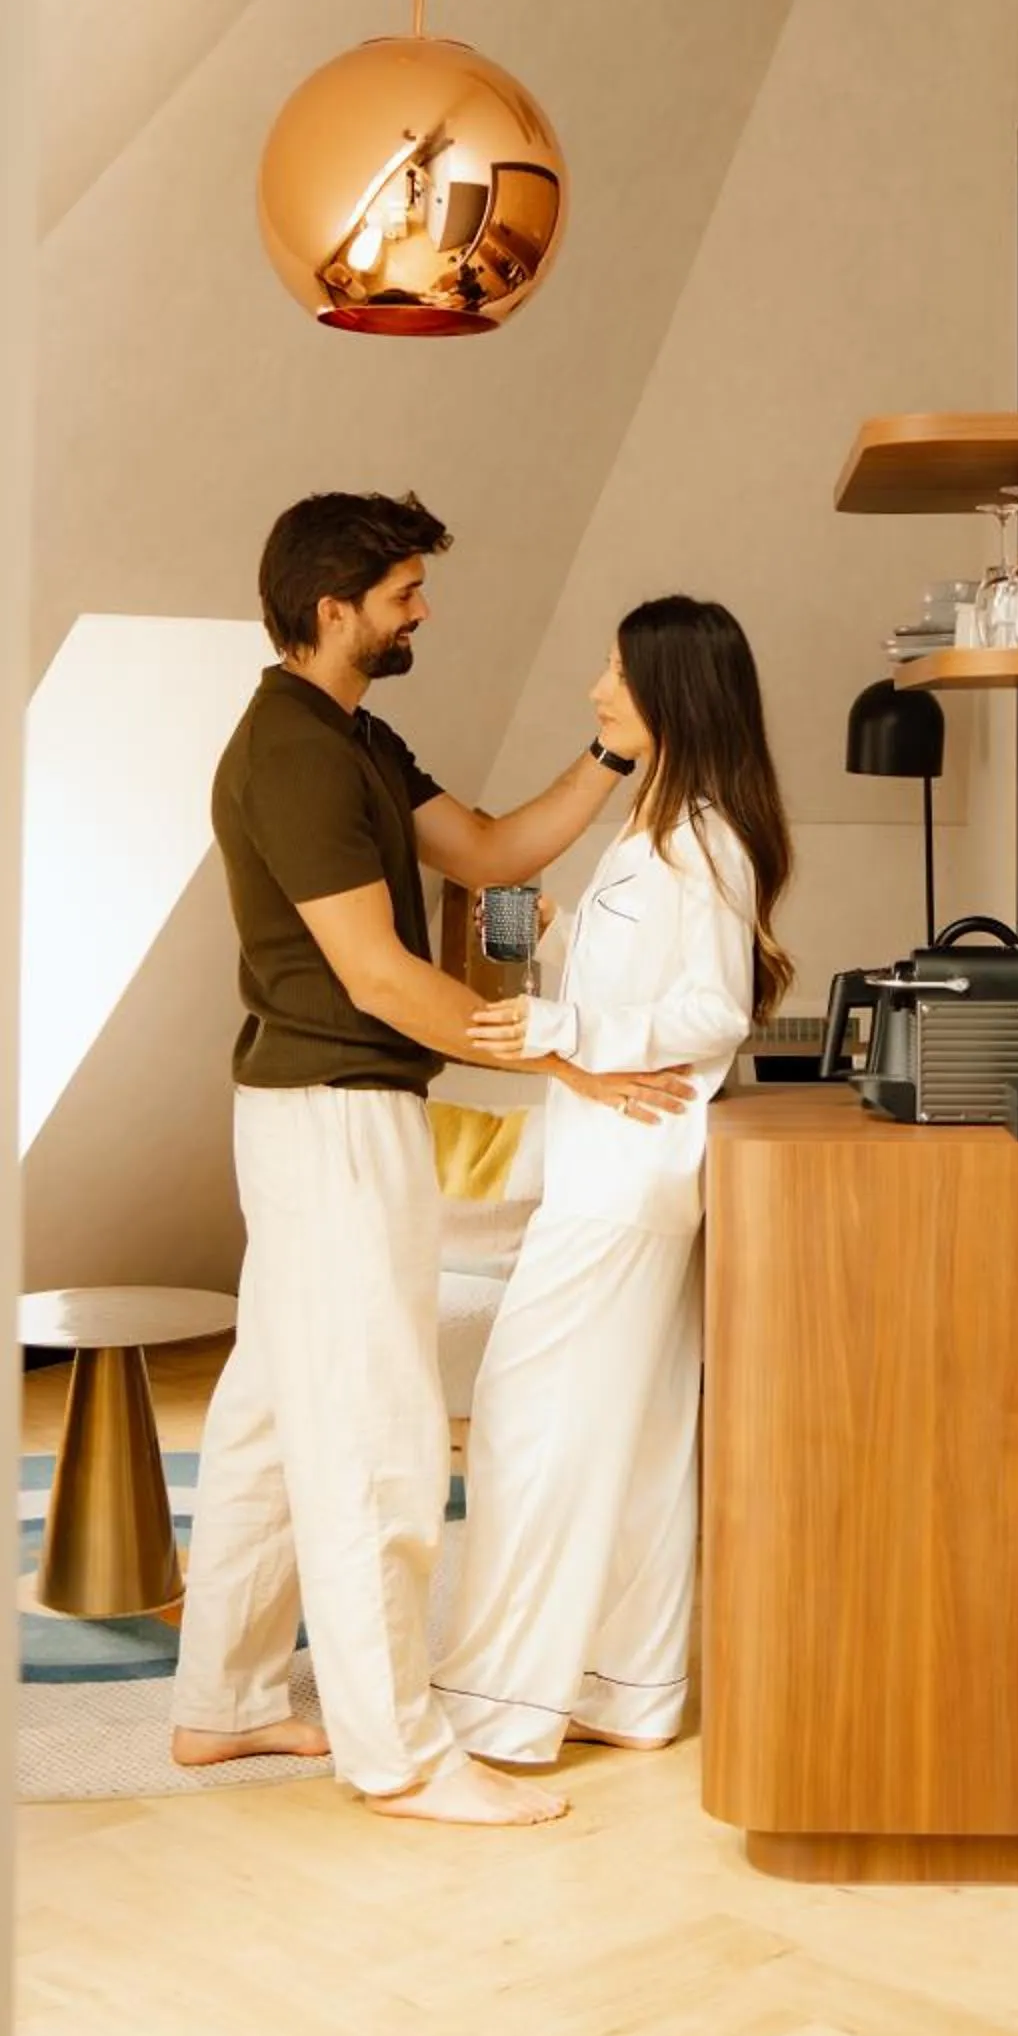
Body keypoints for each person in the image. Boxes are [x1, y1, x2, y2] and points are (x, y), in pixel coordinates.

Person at [168, 491, 695, 1828]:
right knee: (379, 1437)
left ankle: (221, 1702)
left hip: (314, 1113)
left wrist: (615, 752)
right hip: (336, 1113)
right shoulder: (287, 756)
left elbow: (494, 846)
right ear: (332, 608)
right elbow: (381, 978)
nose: (421, 613)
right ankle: (396, 1752)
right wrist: (564, 1059)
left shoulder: (351, 734)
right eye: (403, 594)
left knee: (274, 1415)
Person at [433, 596, 792, 1764]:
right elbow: (652, 980)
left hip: (629, 1181)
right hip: (611, 1171)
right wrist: (552, 933)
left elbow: (715, 1008)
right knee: (630, 1437)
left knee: (529, 1423)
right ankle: (625, 1689)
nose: (596, 691)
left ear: (673, 693)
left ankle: (505, 1702)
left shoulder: (706, 840)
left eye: (617, 675)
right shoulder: (655, 827)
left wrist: (572, 1018)